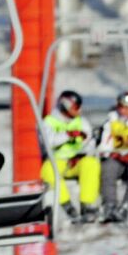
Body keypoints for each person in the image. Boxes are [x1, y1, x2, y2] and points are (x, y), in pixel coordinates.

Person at [42, 89, 103, 222]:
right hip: (57, 160)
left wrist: (81, 153)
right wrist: (68, 135)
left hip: (76, 160)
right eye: (76, 107)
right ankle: (66, 205)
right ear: (66, 105)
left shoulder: (81, 122)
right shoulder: (49, 122)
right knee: (48, 170)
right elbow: (49, 142)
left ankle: (87, 205)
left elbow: (90, 142)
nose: (79, 110)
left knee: (91, 164)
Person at [98, 90, 128, 224]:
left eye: (127, 107)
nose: (124, 110)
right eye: (122, 107)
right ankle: (110, 206)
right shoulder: (110, 121)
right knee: (108, 169)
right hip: (117, 158)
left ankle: (126, 206)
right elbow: (103, 146)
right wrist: (114, 154)